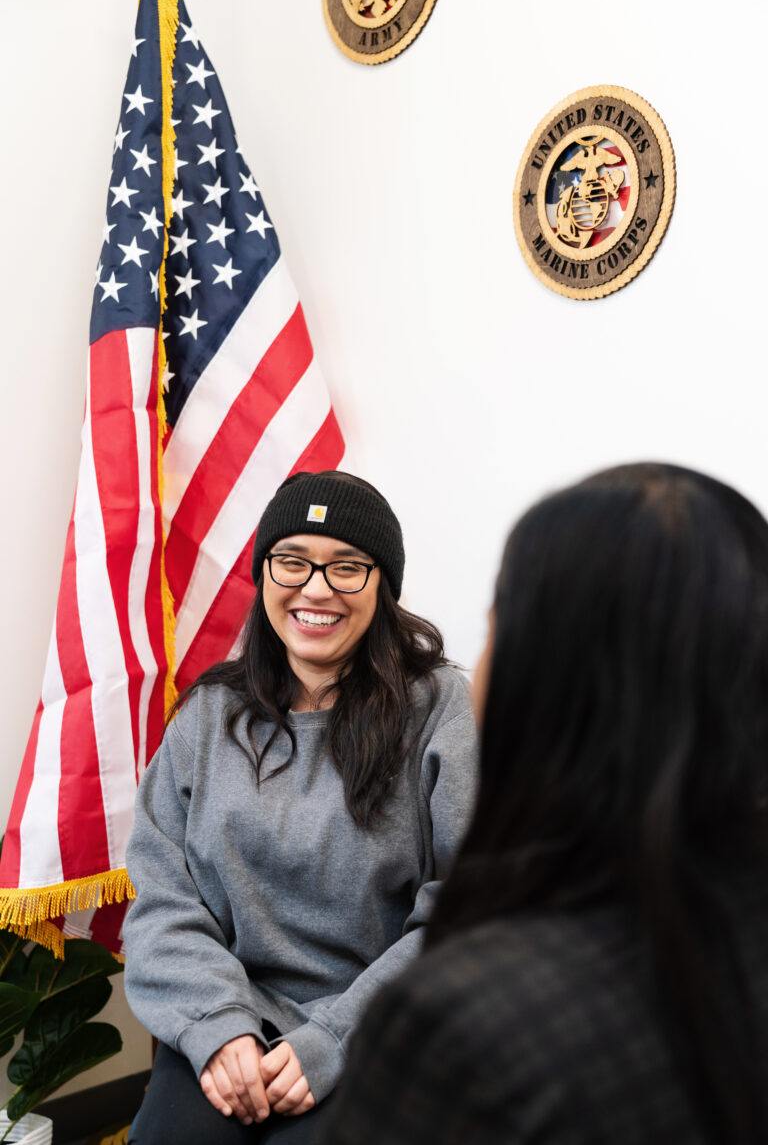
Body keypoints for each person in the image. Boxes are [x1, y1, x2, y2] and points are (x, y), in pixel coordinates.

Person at [316, 462, 768, 1145]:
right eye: (291, 560)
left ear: (544, 679)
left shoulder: (460, 1029)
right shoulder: (207, 712)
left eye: (495, 628)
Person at [123, 470, 477, 1144]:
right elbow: (164, 901)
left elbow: (467, 907)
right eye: (293, 561)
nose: (316, 588)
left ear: (383, 586)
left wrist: (335, 1040)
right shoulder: (206, 716)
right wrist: (219, 1026)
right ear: (264, 574)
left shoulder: (437, 708)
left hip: (374, 1026)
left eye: (347, 566)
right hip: (228, 1016)